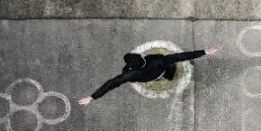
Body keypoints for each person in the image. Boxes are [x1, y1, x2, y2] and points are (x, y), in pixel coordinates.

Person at [78, 47, 219, 104]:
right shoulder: (156, 59)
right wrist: (204, 52)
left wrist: (92, 97)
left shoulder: (129, 74)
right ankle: (169, 76)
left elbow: (111, 83)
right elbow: (180, 56)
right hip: (162, 70)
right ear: (142, 57)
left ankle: (165, 77)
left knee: (161, 76)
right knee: (171, 68)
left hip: (151, 77)